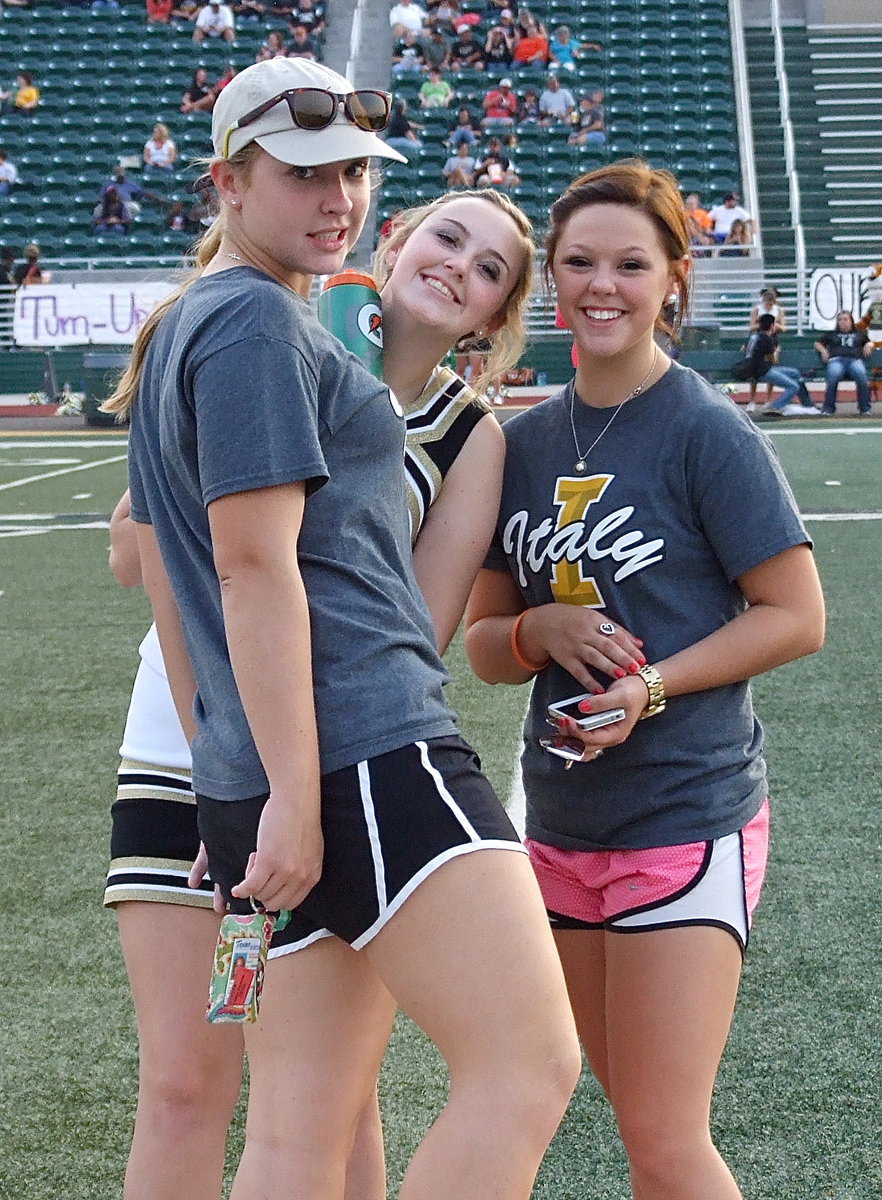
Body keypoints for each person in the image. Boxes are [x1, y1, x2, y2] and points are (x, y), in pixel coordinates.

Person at [102, 54, 579, 1200]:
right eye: (307, 172)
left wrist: (249, 780)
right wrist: (291, 796)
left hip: (277, 770)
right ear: (227, 181)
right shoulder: (257, 325)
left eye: (356, 172)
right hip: (362, 750)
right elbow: (249, 569)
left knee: (298, 1128)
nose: (339, 197)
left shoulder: (228, 320)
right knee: (528, 1064)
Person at [465, 160, 825, 1200]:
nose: (602, 285)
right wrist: (540, 625)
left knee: (666, 1139)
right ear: (552, 278)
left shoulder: (707, 431)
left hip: (685, 815)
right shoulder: (520, 444)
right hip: (563, 830)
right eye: (578, 262)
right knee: (632, 1121)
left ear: (675, 279)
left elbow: (797, 617)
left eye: (631, 263)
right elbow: (485, 645)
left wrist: (653, 687)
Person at [731, 313, 815, 416]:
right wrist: (776, 351)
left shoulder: (753, 337)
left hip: (757, 367)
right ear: (771, 326)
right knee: (794, 387)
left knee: (795, 373)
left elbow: (745, 350)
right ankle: (775, 407)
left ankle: (808, 404)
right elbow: (773, 360)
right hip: (762, 371)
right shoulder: (766, 339)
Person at [814, 309, 874, 415]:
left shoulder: (859, 334)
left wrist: (869, 345)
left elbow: (870, 342)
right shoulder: (832, 334)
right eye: (840, 320)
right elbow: (817, 343)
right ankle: (828, 408)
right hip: (836, 361)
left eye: (845, 319)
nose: (842, 322)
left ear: (851, 321)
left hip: (854, 361)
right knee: (833, 376)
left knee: (862, 376)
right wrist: (823, 351)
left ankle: (864, 408)